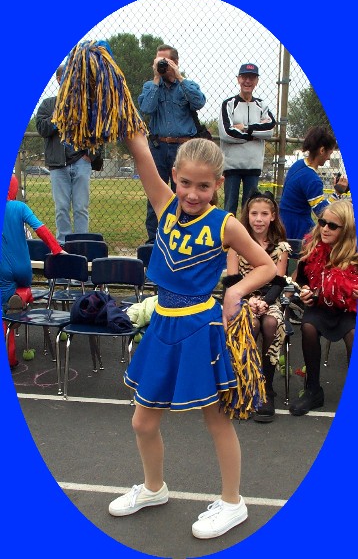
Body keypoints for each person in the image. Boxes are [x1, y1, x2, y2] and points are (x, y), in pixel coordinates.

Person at [108, 134, 276, 539]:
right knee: (142, 421)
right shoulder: (164, 204)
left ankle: (234, 502)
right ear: (174, 178)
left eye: (204, 186)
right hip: (163, 323)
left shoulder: (226, 224)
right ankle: (153, 488)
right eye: (186, 183)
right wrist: (128, 124)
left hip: (201, 328)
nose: (193, 193)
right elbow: (140, 150)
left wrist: (234, 291)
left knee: (216, 421)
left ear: (218, 184)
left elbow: (266, 266)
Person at [225, 190, 290, 422]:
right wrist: (248, 301)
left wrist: (263, 302)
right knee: (249, 324)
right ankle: (246, 385)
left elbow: (279, 282)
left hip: (269, 300)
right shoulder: (235, 245)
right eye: (254, 213)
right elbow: (232, 282)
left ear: (273, 216)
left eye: (264, 214)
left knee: (271, 323)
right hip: (242, 299)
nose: (259, 219)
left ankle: (267, 388)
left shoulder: (281, 247)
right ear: (247, 215)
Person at [289, 200, 358, 416]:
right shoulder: (311, 247)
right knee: (308, 327)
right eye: (322, 223)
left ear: (345, 229)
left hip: (348, 310)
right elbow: (298, 281)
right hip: (319, 306)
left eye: (332, 225)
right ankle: (312, 390)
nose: (325, 228)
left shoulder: (354, 254)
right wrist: (303, 292)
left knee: (353, 334)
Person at [138, 44, 206, 243]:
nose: (161, 65)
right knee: (155, 195)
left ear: (175, 62)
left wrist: (178, 76)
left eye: (165, 61)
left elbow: (199, 102)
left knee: (185, 195)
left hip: (183, 149)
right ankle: (154, 240)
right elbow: (146, 108)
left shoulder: (187, 85)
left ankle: (183, 237)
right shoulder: (150, 87)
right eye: (158, 61)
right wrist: (157, 78)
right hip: (158, 147)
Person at [1, 174, 64, 369]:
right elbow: (40, 228)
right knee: (22, 287)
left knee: (4, 316)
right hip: (23, 267)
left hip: (2, 269)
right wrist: (57, 248)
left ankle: (10, 358)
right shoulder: (19, 207)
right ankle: (24, 294)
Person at [36, 65, 94, 244]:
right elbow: (42, 128)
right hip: (58, 164)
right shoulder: (48, 104)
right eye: (66, 76)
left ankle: (81, 243)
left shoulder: (85, 105)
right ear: (59, 79)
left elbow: (96, 131)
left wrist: (91, 154)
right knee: (61, 207)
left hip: (80, 161)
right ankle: (63, 245)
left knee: (80, 208)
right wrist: (59, 115)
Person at [218, 63, 276, 216]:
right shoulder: (229, 104)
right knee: (229, 207)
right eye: (244, 77)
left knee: (250, 208)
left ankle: (247, 239)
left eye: (252, 77)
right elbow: (226, 133)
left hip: (253, 165)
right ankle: (227, 239)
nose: (247, 81)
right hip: (232, 166)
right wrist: (256, 134)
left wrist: (245, 128)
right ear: (238, 79)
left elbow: (270, 129)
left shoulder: (262, 105)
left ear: (256, 81)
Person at [279, 126, 349, 240]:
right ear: (322, 150)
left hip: (283, 220)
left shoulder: (298, 164)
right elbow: (321, 213)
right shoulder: (312, 179)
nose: (329, 158)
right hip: (297, 227)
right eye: (329, 154)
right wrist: (337, 193)